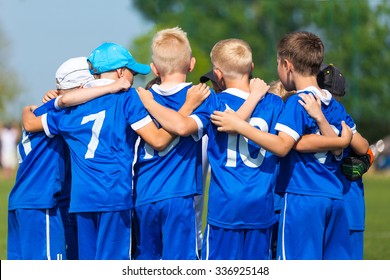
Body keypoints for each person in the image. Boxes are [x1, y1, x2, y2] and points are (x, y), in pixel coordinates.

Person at [21, 43, 178, 260]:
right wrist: (186, 112)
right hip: (114, 195)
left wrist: (42, 102)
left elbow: (30, 123)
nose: (133, 77)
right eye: (132, 71)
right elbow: (158, 141)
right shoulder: (127, 97)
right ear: (121, 71)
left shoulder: (73, 107)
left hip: (82, 199)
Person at [210, 31, 359, 260]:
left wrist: (240, 126)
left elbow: (282, 146)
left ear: (287, 65)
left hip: (303, 196)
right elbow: (359, 144)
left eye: (278, 64)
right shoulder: (335, 106)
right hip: (335, 196)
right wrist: (338, 139)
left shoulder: (296, 102)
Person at [136, 33, 271, 260]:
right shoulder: (205, 97)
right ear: (191, 64)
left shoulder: (138, 98)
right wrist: (255, 96)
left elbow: (185, 126)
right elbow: (184, 127)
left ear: (154, 69)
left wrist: (149, 101)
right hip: (192, 197)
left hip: (149, 195)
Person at [7, 57, 96, 260]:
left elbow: (29, 114)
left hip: (22, 201)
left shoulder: (39, 110)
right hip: (41, 202)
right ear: (83, 87)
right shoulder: (64, 115)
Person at [317, 63, 372, 259]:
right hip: (348, 201)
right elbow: (364, 147)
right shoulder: (342, 117)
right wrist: (367, 158)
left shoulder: (306, 114)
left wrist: (366, 157)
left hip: (324, 200)